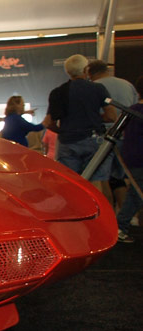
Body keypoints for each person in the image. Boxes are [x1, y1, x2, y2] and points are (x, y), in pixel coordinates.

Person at [43, 54, 115, 199]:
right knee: (97, 183)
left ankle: (75, 218)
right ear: (86, 69)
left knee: (70, 185)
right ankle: (103, 219)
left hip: (67, 141)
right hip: (93, 139)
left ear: (68, 72)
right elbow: (111, 116)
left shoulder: (58, 92)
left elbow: (48, 122)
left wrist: (63, 130)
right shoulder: (97, 89)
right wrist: (94, 118)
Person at [87, 59, 140, 214]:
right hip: (126, 137)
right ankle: (126, 215)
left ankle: (107, 216)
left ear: (90, 73)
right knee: (122, 178)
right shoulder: (127, 85)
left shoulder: (94, 88)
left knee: (102, 179)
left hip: (102, 138)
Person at [113, 76, 143, 243]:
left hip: (131, 158)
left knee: (135, 193)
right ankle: (120, 226)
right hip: (139, 159)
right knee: (136, 194)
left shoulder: (132, 110)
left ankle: (121, 226)